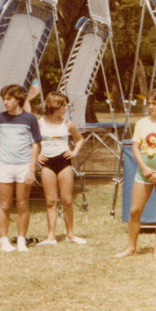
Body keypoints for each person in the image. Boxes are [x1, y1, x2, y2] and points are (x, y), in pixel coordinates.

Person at [117, 88, 156, 259]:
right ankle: (131, 247)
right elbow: (135, 148)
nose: (150, 106)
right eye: (149, 103)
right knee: (134, 211)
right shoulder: (142, 123)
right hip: (143, 171)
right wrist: (145, 168)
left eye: (154, 103)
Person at [0, 84, 41, 252]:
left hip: (24, 166)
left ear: (18, 100)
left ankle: (21, 239)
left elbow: (36, 145)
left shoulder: (30, 119)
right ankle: (4, 240)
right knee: (5, 204)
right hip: (5, 166)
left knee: (23, 204)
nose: (5, 102)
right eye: (4, 99)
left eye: (8, 99)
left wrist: (31, 168)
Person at [36, 91, 86, 245]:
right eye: (63, 105)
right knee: (51, 201)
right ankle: (51, 237)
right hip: (47, 163)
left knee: (67, 200)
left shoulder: (67, 123)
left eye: (66, 105)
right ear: (54, 105)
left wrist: (74, 153)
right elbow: (32, 142)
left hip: (64, 163)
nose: (66, 108)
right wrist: (37, 155)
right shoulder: (40, 123)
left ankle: (70, 234)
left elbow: (80, 139)